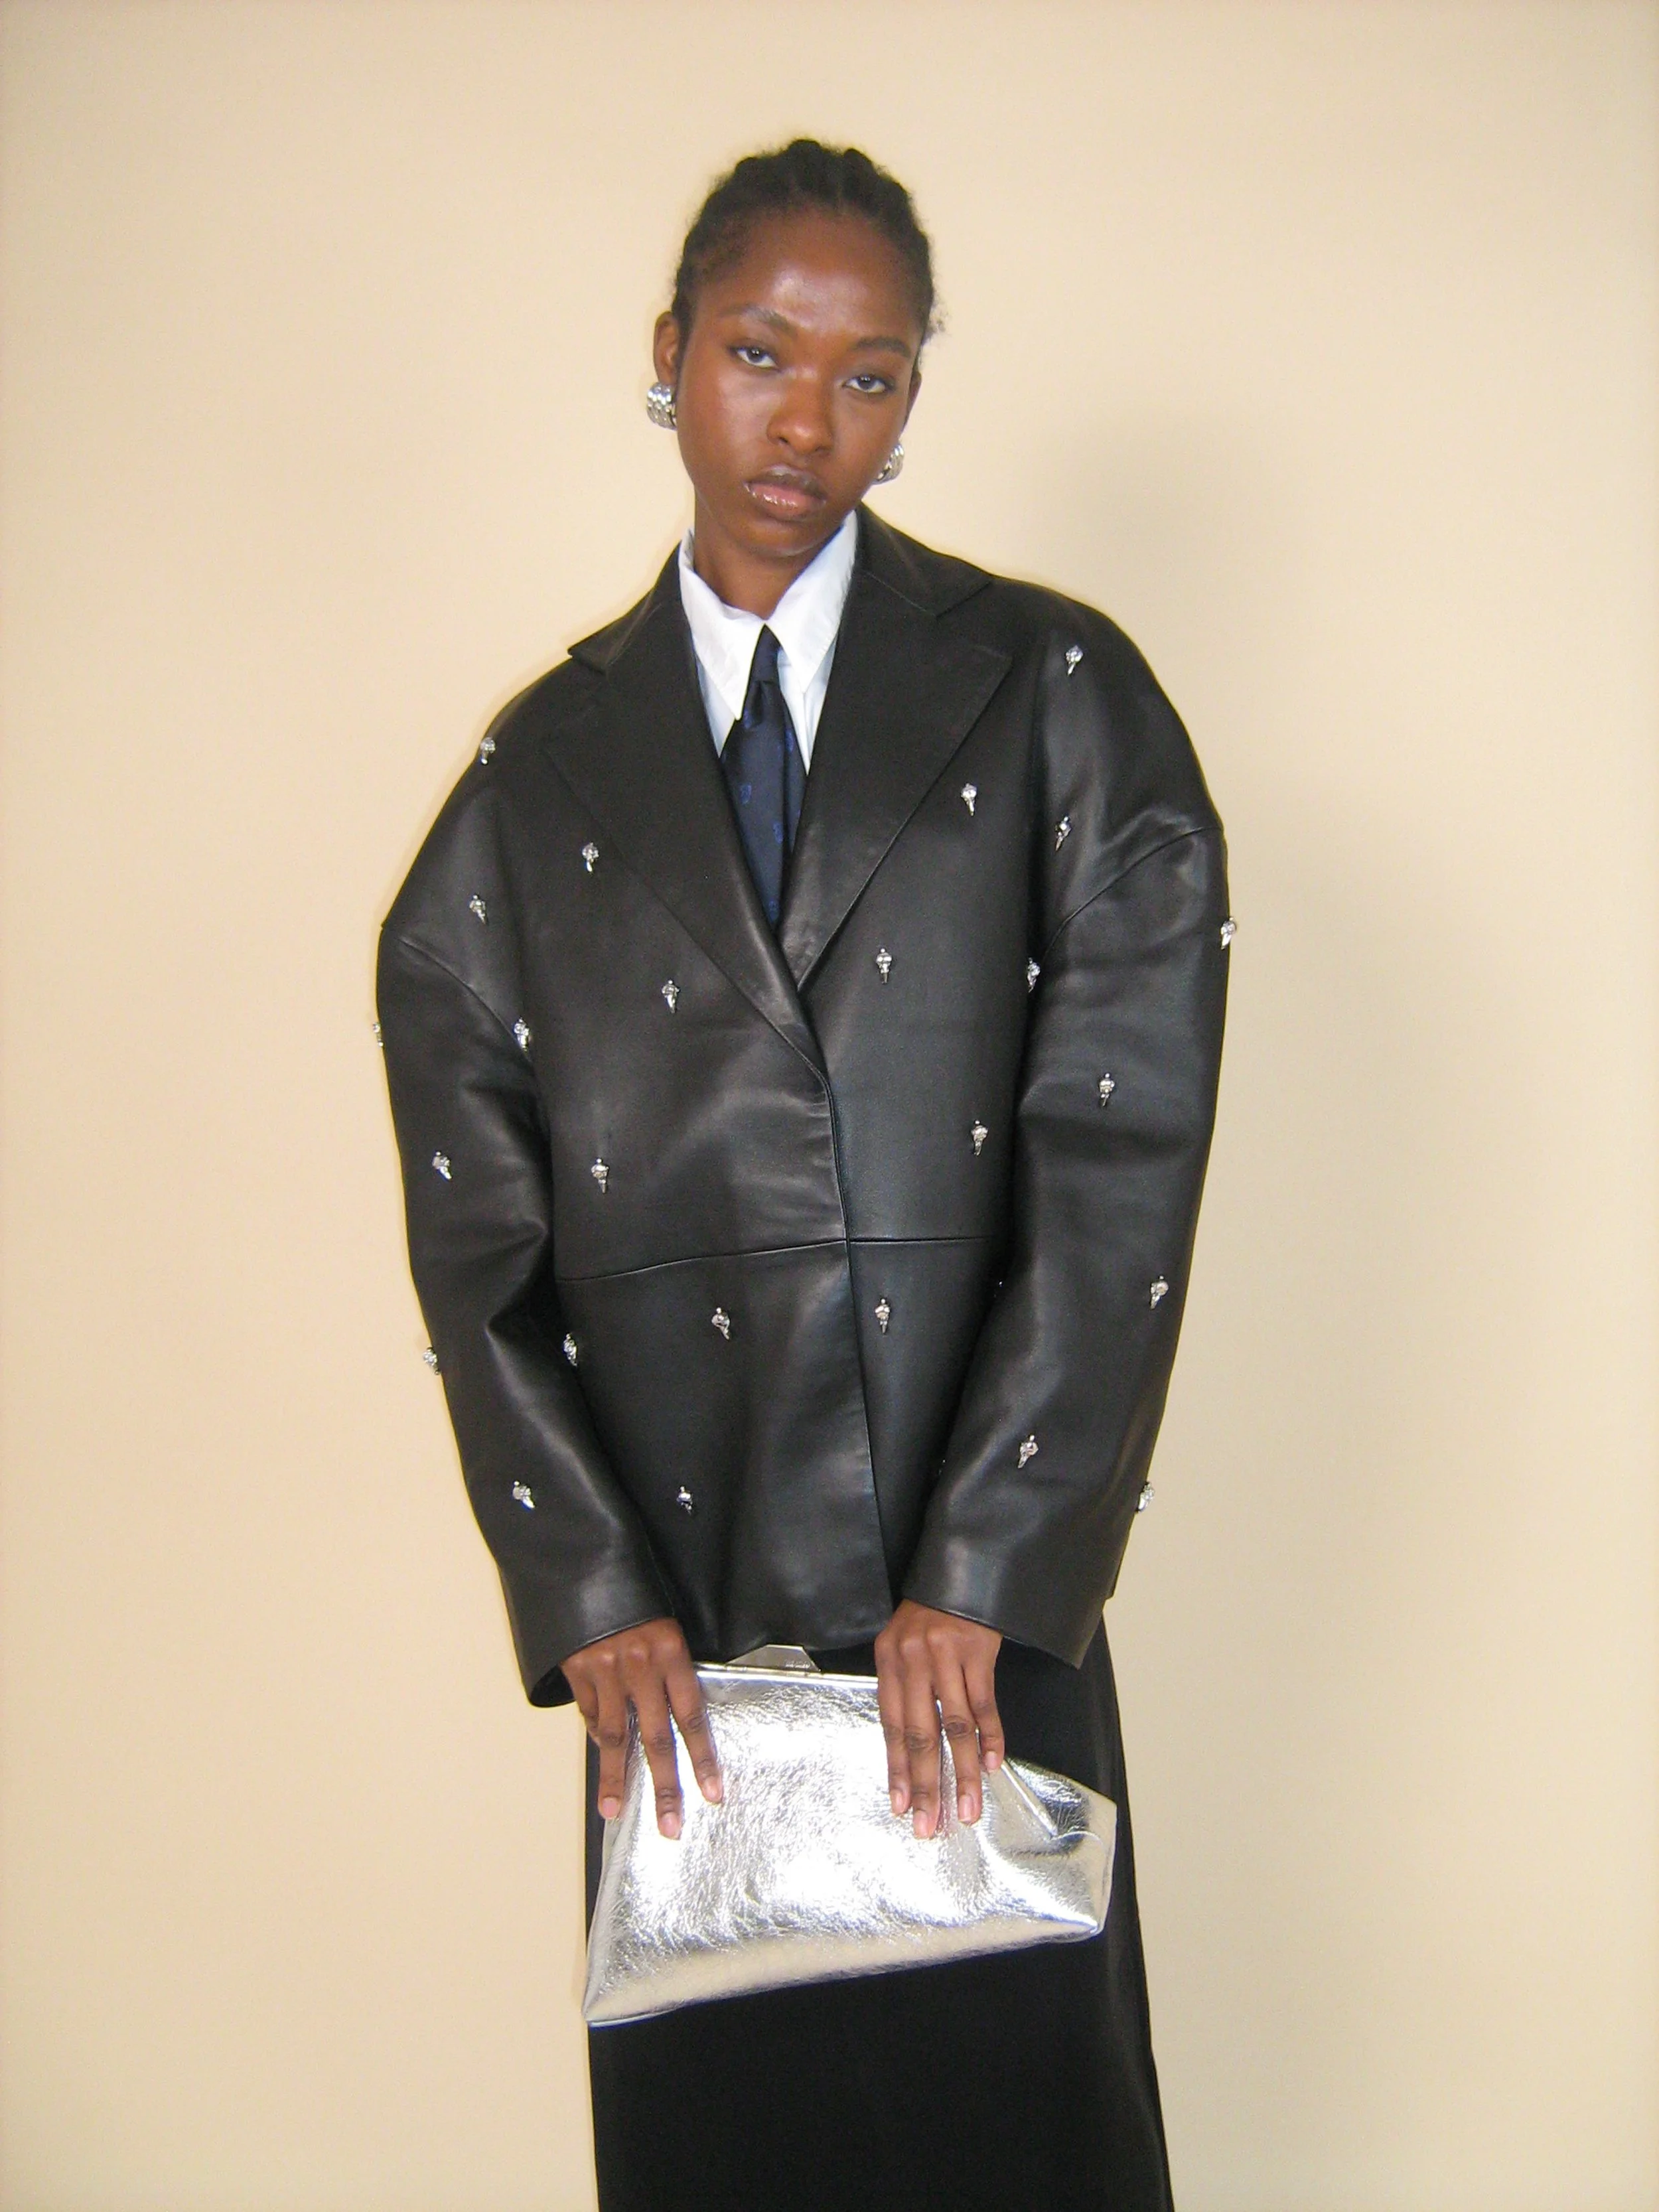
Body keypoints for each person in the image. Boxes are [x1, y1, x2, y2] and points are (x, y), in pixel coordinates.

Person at [378, 138, 1229, 2212]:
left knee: (1019, 2142)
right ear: (668, 357)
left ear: (914, 398)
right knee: (727, 2156)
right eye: (761, 351)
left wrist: (988, 1563)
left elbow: (1118, 1145)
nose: (807, 418)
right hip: (679, 1632)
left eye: (872, 373)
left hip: (977, 1597)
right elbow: (471, 1212)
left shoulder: (1052, 692)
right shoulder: (540, 769)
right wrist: (587, 1591)